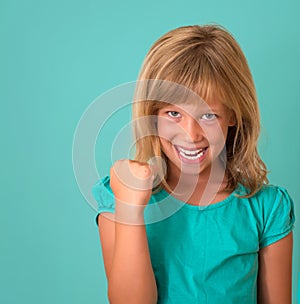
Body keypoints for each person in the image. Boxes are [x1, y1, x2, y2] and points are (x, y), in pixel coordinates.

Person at [92, 25, 295, 303]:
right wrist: (129, 208)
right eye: (174, 113)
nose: (191, 134)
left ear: (233, 115)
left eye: (209, 116)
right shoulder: (120, 197)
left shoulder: (266, 208)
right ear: (152, 115)